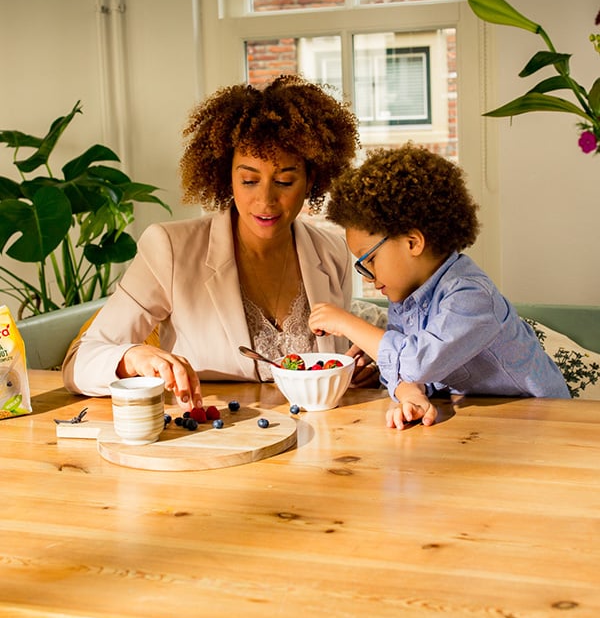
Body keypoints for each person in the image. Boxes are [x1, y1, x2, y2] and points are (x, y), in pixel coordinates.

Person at [62, 74, 380, 409]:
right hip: (215, 438)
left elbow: (329, 366)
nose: (265, 200)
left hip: (322, 443)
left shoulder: (332, 252)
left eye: (285, 181)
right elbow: (79, 363)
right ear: (226, 176)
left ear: (311, 179)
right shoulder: (170, 248)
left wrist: (355, 371)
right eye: (248, 180)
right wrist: (133, 358)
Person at [308, 144, 570, 430]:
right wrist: (411, 394)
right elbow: (406, 372)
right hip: (488, 424)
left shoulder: (471, 296)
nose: (368, 276)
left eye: (370, 259)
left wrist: (348, 324)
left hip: (545, 421)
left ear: (413, 242)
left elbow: (417, 362)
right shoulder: (405, 297)